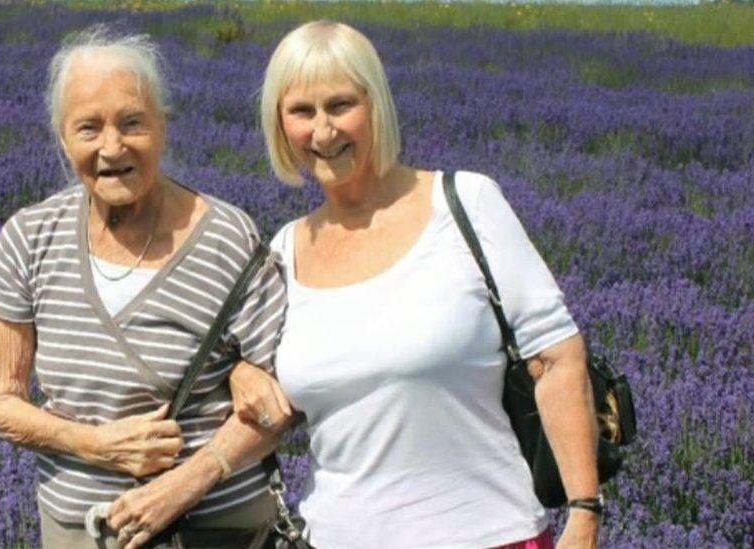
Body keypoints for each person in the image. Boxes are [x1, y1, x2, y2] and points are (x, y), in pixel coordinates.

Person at [229, 20, 602, 548]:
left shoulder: (465, 204)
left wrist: (584, 514)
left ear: (375, 105)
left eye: (340, 105)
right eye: (302, 112)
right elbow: (264, 384)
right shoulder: (285, 250)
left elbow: (557, 359)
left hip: (488, 535)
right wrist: (240, 372)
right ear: (279, 125)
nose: (323, 132)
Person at [0, 24, 290, 549]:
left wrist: (185, 483)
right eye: (88, 128)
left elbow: (281, 402)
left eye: (133, 123)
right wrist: (94, 444)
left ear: (163, 127)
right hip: (81, 530)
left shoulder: (230, 237)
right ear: (62, 138)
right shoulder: (29, 237)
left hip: (215, 530)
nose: (112, 146)